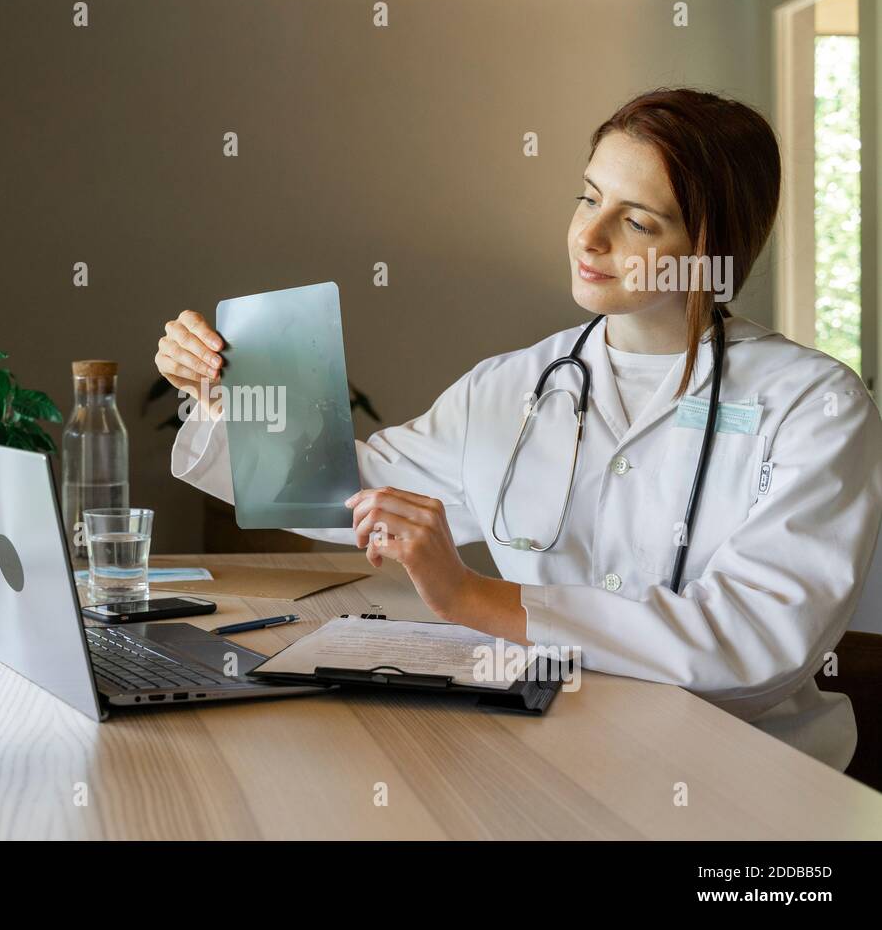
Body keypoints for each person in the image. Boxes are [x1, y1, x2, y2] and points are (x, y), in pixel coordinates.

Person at [153, 88, 882, 771]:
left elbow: (750, 647)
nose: (589, 238)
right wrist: (225, 395)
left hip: (745, 774)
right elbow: (344, 492)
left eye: (637, 221)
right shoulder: (510, 387)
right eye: (588, 198)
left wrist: (472, 598)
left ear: (712, 247)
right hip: (557, 741)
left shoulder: (812, 405)